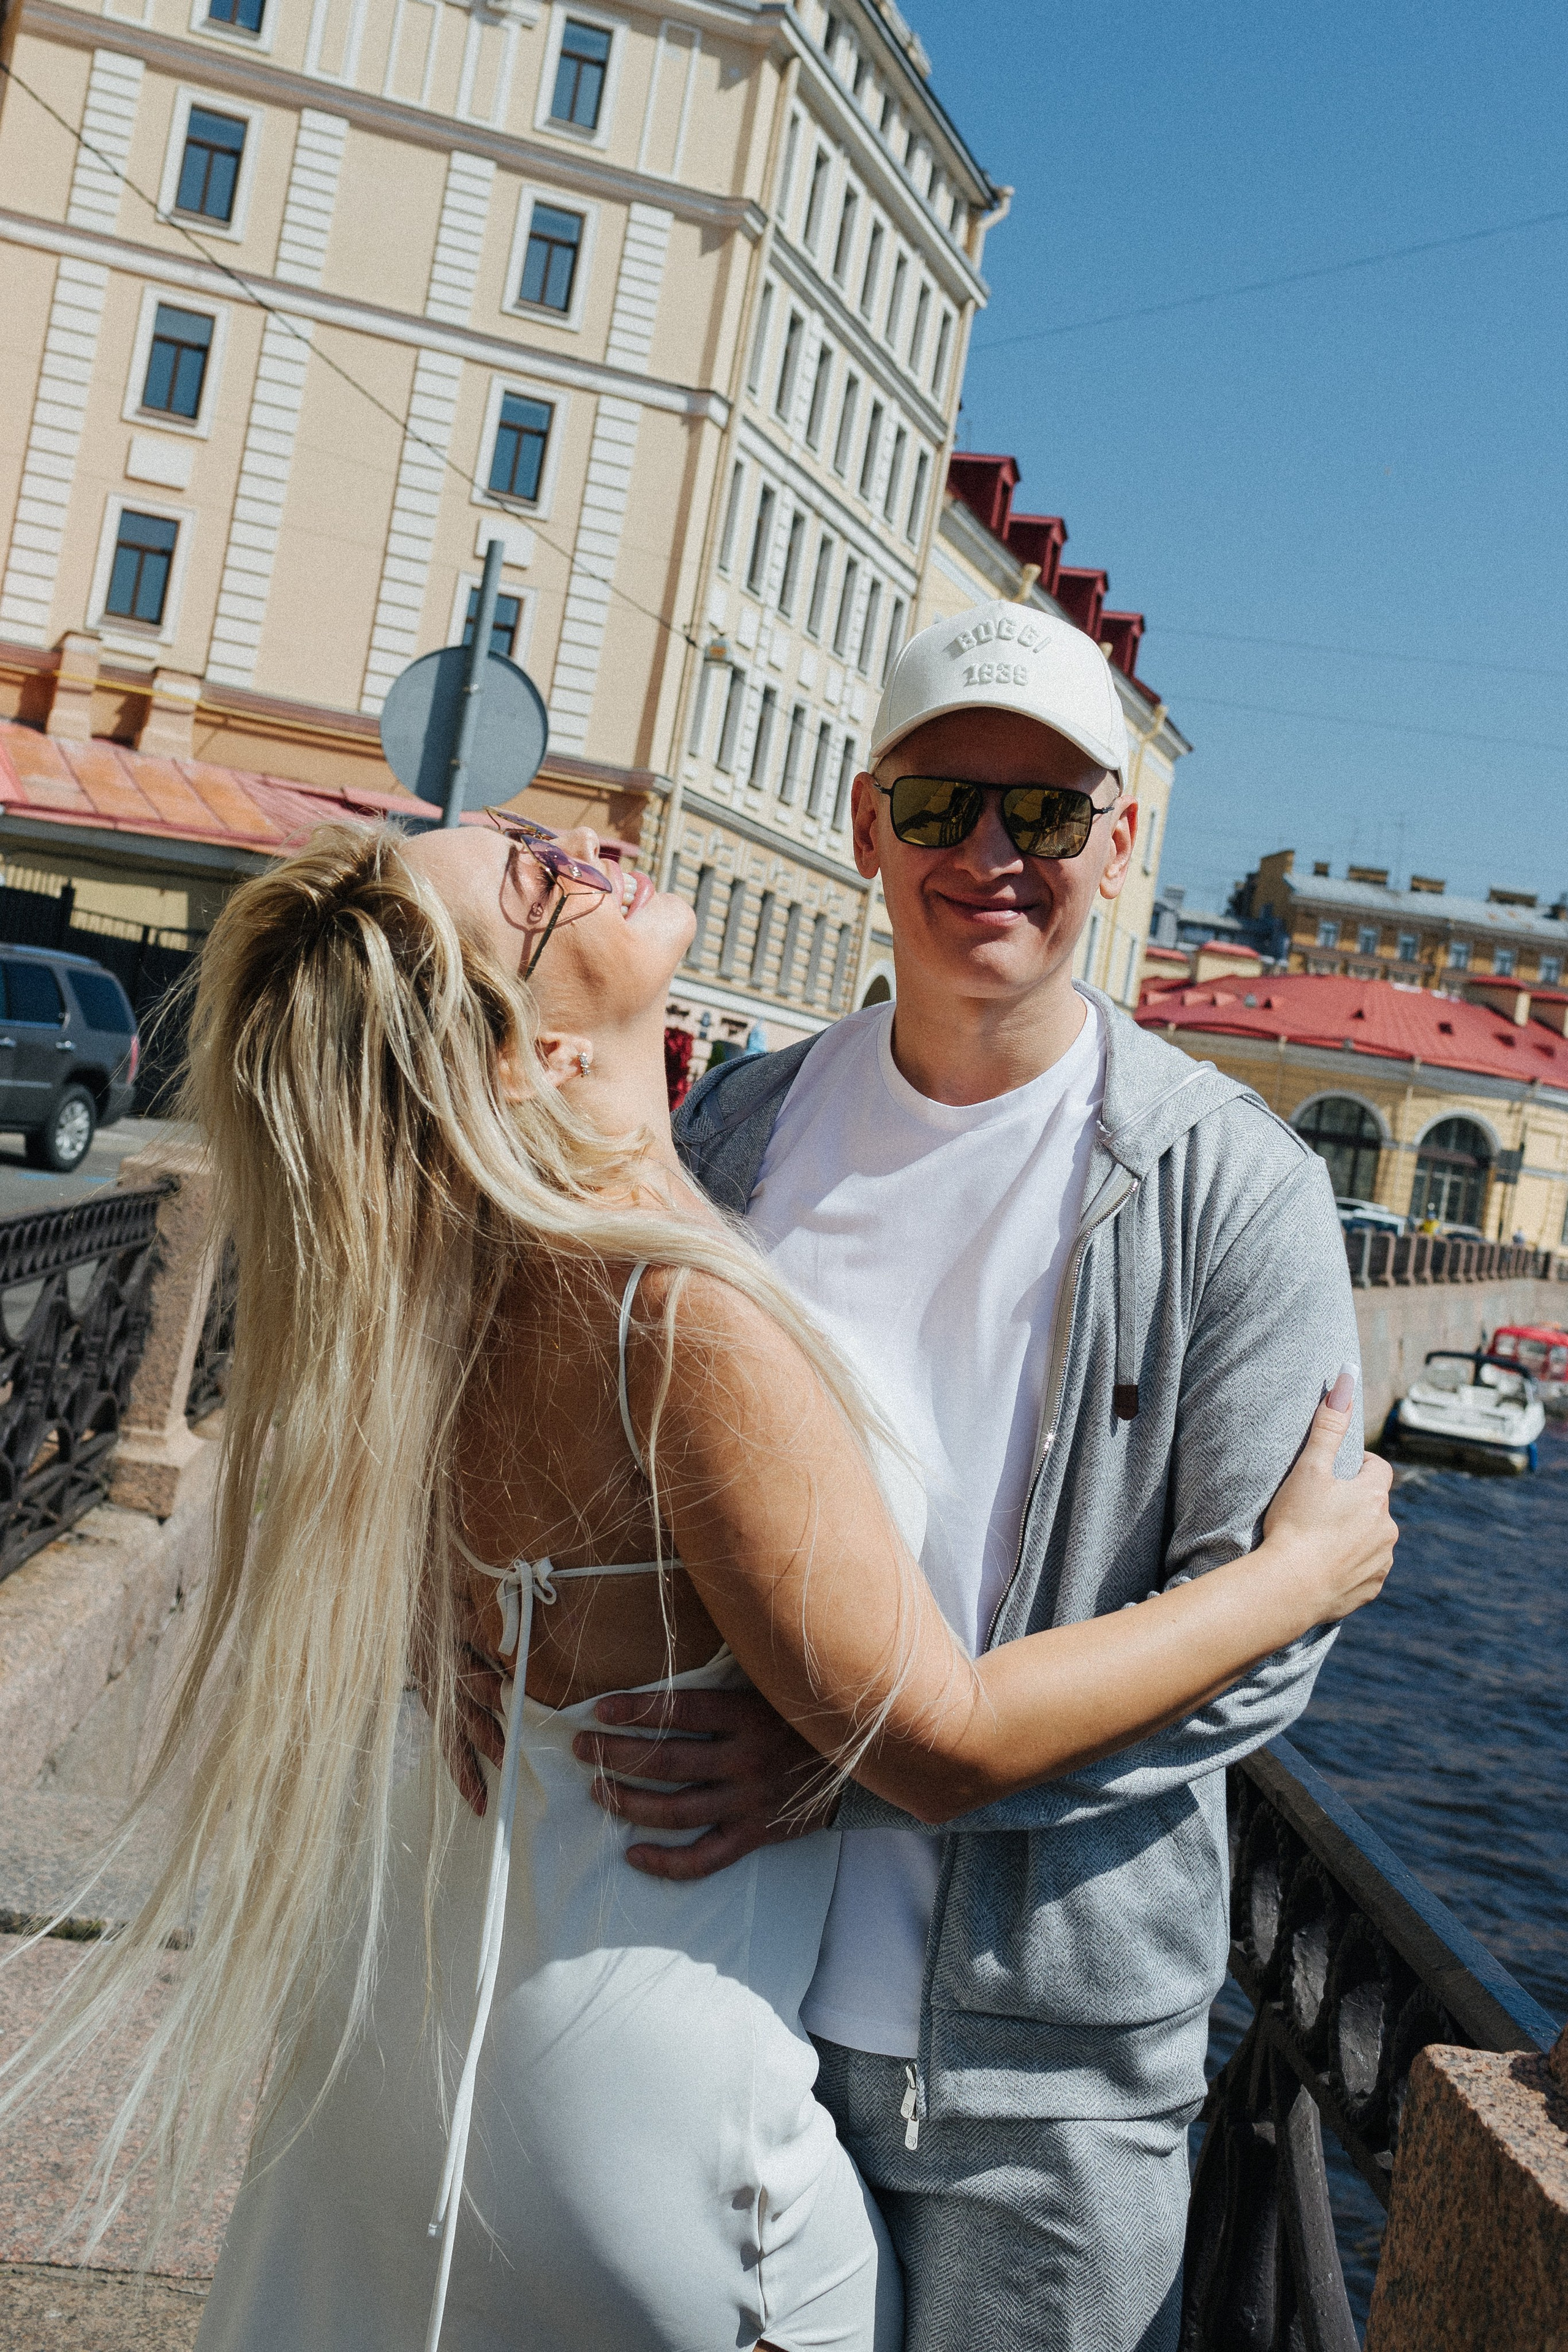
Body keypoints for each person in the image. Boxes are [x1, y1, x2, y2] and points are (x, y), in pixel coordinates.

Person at [0, 809, 1393, 2352]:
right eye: (539, 879)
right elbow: (944, 1740)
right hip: (646, 2109)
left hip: (400, 2030)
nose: (589, 843)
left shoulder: (462, 1273)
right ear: (536, 1058)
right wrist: (1298, 1574)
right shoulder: (671, 1303)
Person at [479, 598, 1379, 2352]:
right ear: (865, 818)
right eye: (943, 803)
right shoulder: (737, 1129)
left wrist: (859, 1769)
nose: (992, 856)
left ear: (1118, 844)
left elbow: (1262, 1636)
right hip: (718, 1976)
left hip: (1040, 2082)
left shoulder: (1227, 1188)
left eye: (1045, 815)